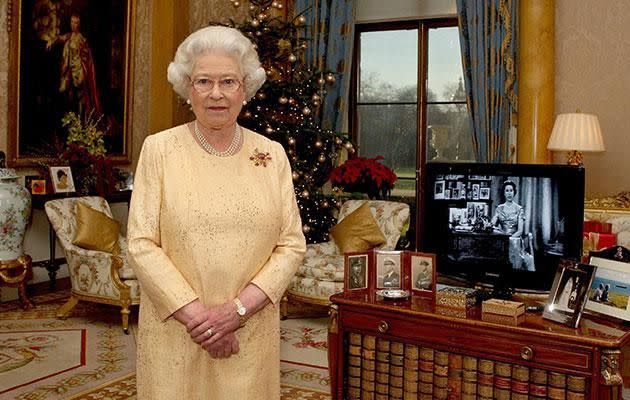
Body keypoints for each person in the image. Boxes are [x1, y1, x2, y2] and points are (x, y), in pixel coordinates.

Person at [127, 26, 306, 399]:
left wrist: (236, 313)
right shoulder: (159, 150)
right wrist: (201, 320)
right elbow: (142, 242)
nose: (216, 93)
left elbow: (291, 244)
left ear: (246, 89)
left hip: (249, 333)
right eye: (203, 81)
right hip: (177, 332)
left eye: (229, 81)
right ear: (187, 88)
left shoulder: (272, 154)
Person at [58, 12, 102, 117]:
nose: (73, 25)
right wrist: (51, 41)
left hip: (79, 70)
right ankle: (71, 119)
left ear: (79, 24)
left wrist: (83, 68)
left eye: (76, 23)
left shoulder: (82, 40)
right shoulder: (69, 36)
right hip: (70, 70)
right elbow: (59, 38)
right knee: (67, 93)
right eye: (72, 22)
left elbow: (87, 58)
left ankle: (80, 119)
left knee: (81, 95)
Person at [490, 180, 529, 270]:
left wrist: (509, 238)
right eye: (507, 191)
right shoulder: (499, 208)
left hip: (515, 239)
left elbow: (520, 231)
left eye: (511, 190)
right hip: (502, 239)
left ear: (514, 192)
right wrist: (489, 224)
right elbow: (492, 224)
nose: (509, 193)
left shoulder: (519, 209)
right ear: (504, 193)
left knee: (512, 248)